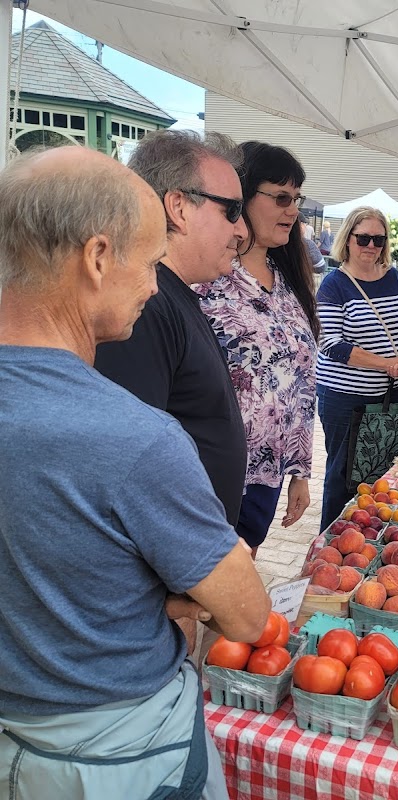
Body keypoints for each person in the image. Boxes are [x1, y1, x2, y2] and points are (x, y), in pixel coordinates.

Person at [0, 146, 269, 798]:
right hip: (125, 756)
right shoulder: (135, 438)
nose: (154, 285)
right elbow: (247, 616)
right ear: (96, 258)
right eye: (148, 263)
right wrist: (170, 584)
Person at [94, 130, 249, 531]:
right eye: (231, 210)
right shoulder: (144, 306)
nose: (242, 230)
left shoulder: (172, 296)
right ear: (178, 207)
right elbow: (127, 471)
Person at [197, 142, 319, 560]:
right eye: (281, 197)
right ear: (242, 196)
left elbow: (302, 385)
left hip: (267, 479)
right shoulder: (207, 281)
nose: (292, 210)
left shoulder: (290, 284)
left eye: (297, 200)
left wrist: (300, 472)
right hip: (212, 476)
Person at [316, 207, 398, 530]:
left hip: (391, 395)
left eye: (378, 239)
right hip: (345, 398)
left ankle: (369, 538)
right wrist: (388, 363)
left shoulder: (394, 277)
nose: (371, 246)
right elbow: (331, 344)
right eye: (363, 238)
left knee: (384, 473)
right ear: (347, 239)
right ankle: (328, 545)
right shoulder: (334, 285)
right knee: (342, 476)